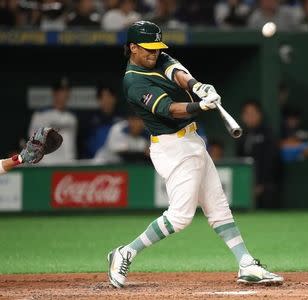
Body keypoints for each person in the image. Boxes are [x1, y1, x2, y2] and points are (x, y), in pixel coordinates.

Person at [107, 21, 283, 288]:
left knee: (218, 207)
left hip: (191, 140)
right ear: (133, 48)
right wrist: (199, 104)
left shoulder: (158, 57)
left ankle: (246, 262)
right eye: (148, 50)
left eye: (157, 48)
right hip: (171, 147)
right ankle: (126, 252)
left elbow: (176, 71)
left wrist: (197, 85)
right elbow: (169, 109)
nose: (154, 53)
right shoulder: (133, 82)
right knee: (180, 217)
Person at [236, 101, 281, 209]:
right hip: (247, 189)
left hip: (268, 187)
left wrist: (262, 184)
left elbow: (271, 160)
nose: (250, 117)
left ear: (260, 114)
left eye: (253, 113)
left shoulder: (268, 133)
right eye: (247, 114)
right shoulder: (240, 134)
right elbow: (239, 162)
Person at [28, 77, 77, 164]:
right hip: (47, 165)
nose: (64, 94)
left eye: (67, 91)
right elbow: (33, 142)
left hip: (68, 164)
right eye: (61, 91)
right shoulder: (40, 115)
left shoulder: (72, 118)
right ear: (54, 93)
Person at [81, 85, 122, 158]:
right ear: (99, 100)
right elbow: (86, 144)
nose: (106, 100)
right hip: (94, 162)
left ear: (114, 99)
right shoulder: (90, 120)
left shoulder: (121, 120)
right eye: (103, 97)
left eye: (109, 96)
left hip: (116, 161)